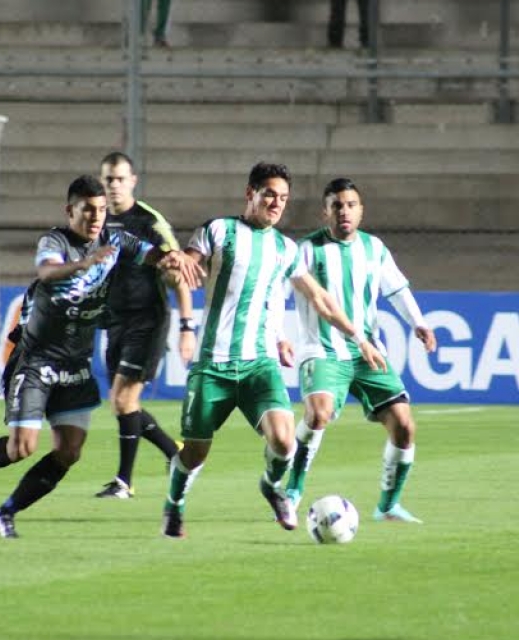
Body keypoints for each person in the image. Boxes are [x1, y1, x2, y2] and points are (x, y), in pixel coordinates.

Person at [0, 174, 202, 539]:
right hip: (36, 359)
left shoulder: (114, 239)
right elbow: (47, 272)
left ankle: (5, 513)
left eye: (100, 210)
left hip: (75, 363)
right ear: (71, 211)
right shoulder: (55, 240)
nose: (96, 217)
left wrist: (173, 257)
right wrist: (84, 264)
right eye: (87, 210)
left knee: (69, 451)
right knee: (22, 448)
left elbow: (151, 253)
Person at [161, 162, 387, 539]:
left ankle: (271, 486)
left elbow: (320, 299)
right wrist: (171, 268)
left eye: (283, 198)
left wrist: (358, 337)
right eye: (269, 195)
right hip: (213, 363)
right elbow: (183, 271)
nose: (276, 203)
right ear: (250, 193)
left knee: (283, 440)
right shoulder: (218, 230)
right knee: (195, 452)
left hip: (259, 365)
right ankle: (175, 505)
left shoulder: (286, 248)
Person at [282, 178, 437, 524]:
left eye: (351, 205)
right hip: (322, 349)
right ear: (326, 212)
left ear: (361, 210)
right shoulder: (305, 250)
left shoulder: (374, 248)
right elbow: (276, 295)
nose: (344, 211)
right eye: (337, 205)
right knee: (319, 413)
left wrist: (419, 323)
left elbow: (396, 289)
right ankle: (291, 491)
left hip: (366, 352)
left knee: (404, 424)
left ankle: (387, 506)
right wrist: (279, 334)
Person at [94, 152, 194, 499]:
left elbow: (177, 271)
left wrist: (186, 327)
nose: (114, 186)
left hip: (148, 320)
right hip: (114, 322)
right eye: (108, 179)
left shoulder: (149, 221)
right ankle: (175, 453)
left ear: (133, 181)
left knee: (124, 401)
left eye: (120, 179)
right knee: (122, 404)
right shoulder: (98, 221)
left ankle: (124, 482)